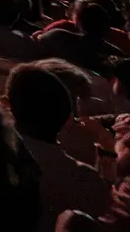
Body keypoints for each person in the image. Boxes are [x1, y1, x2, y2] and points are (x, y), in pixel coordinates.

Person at [6, 62, 110, 230]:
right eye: (74, 103)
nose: (79, 113)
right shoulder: (84, 179)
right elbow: (104, 204)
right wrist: (108, 150)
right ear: (67, 115)